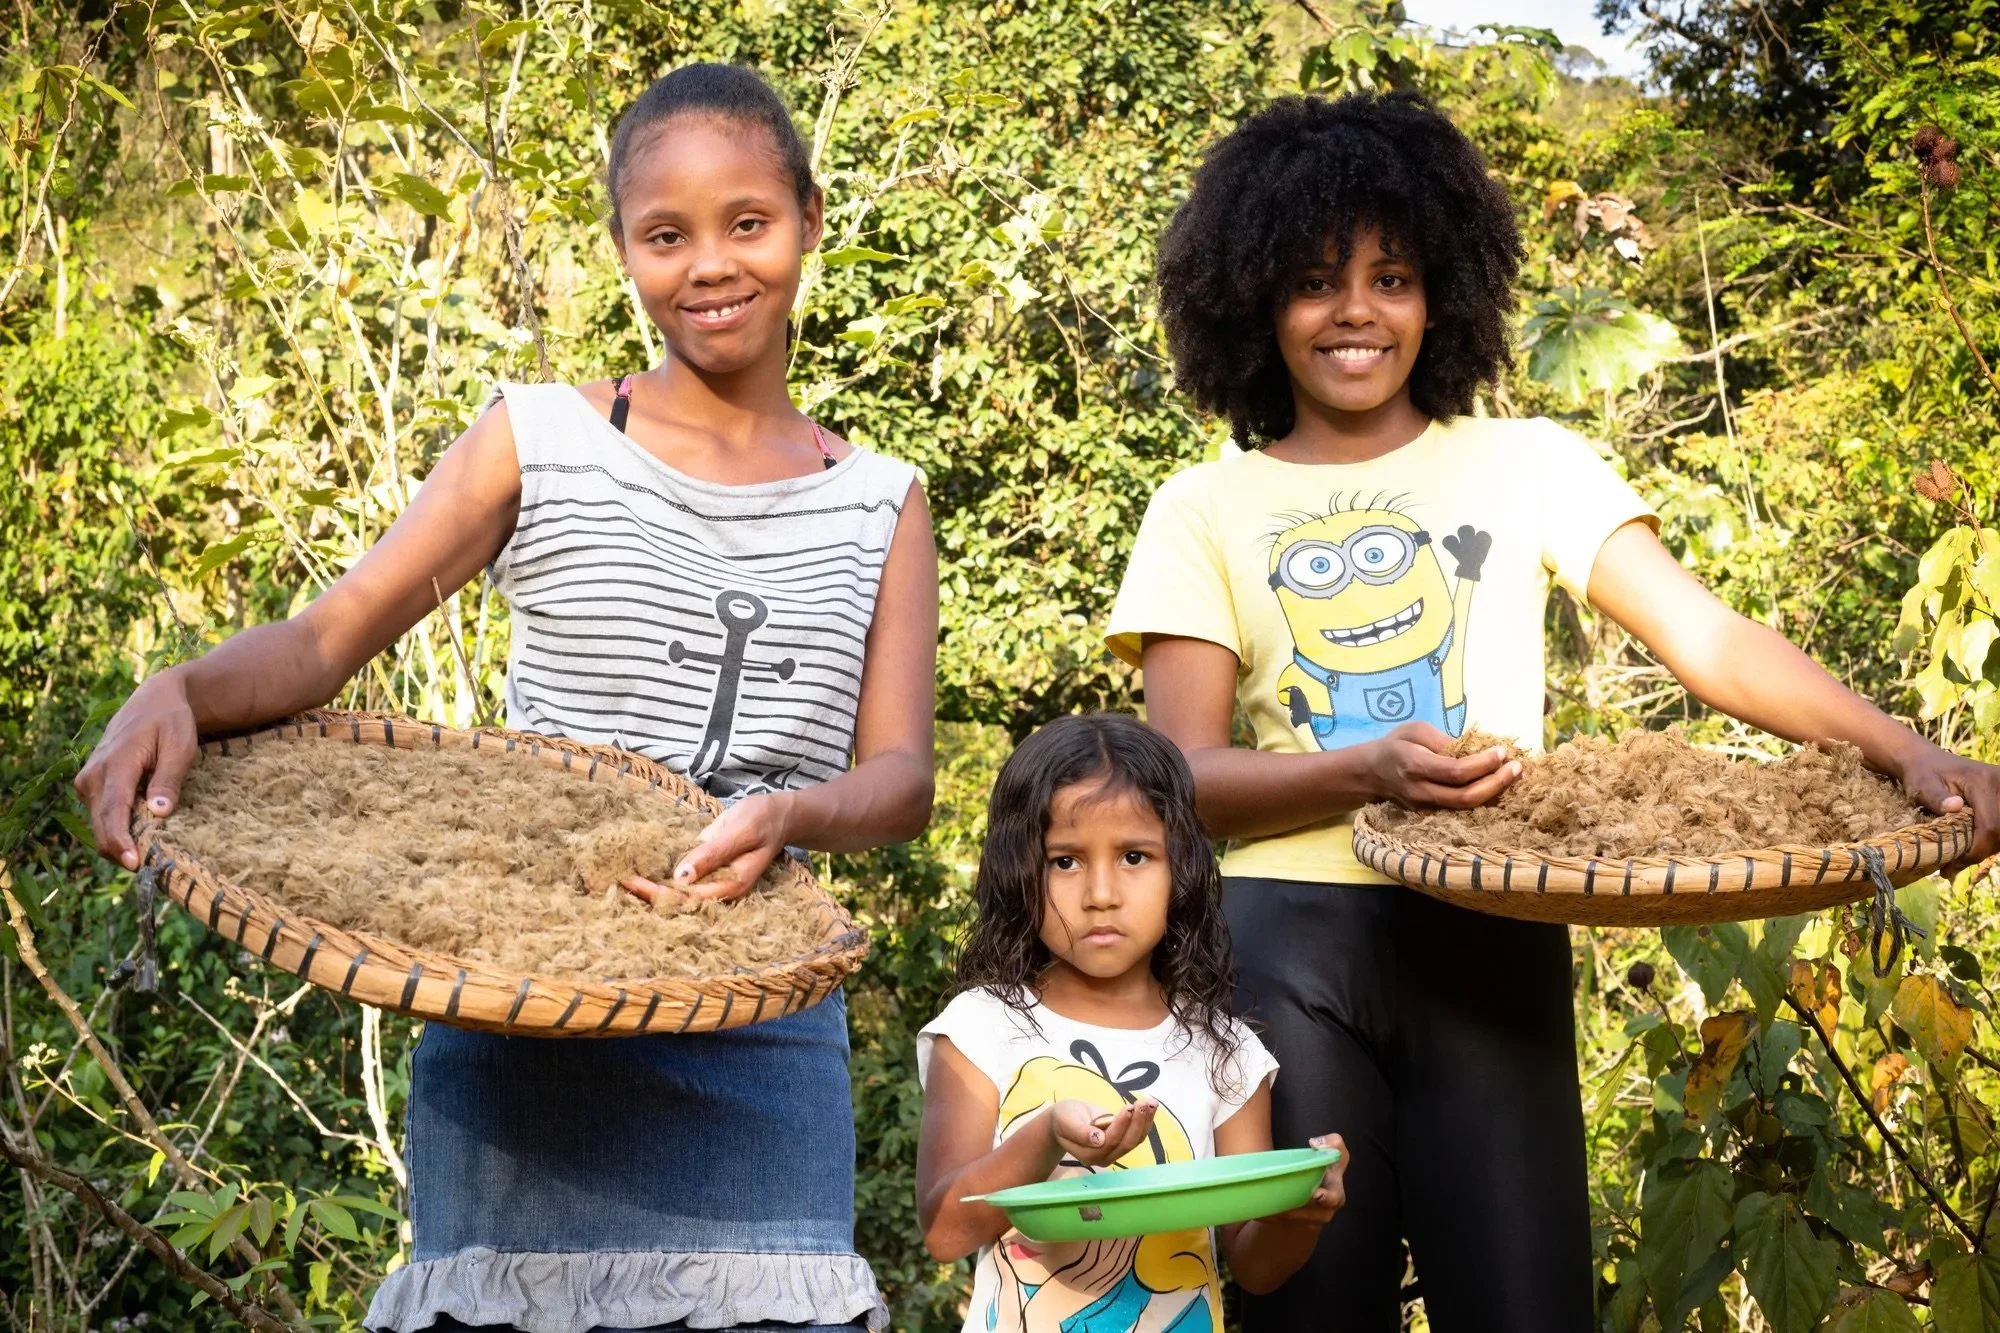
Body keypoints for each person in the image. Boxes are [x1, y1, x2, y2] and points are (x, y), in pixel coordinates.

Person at [1105, 91, 2000, 1331]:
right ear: (1252, 297)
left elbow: (1707, 638)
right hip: (1278, 957)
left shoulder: (1526, 462)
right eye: (1314, 279)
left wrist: (1902, 745)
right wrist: (1367, 769)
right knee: (1309, 1312)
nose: (1356, 310)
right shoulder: (1200, 506)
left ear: (1443, 292)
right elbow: (1179, 782)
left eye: (1393, 275)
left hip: (1490, 934)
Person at [75, 63, 937, 1333]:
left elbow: (899, 780)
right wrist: (180, 688)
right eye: (666, 234)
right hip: (517, 1011)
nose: (710, 264)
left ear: (810, 216)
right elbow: (327, 641)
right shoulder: (538, 439)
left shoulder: (879, 501)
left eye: (746, 222)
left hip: (758, 1022)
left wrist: (788, 816)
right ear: (623, 250)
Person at [915, 713, 1348, 1333]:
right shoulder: (981, 1029)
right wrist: (1044, 1136)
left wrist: (1300, 1212)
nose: (1100, 893)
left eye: (1135, 856)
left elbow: (1253, 1265)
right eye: (1064, 861)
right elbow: (946, 1231)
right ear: (1020, 875)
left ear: (1183, 872)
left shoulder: (1227, 1055)